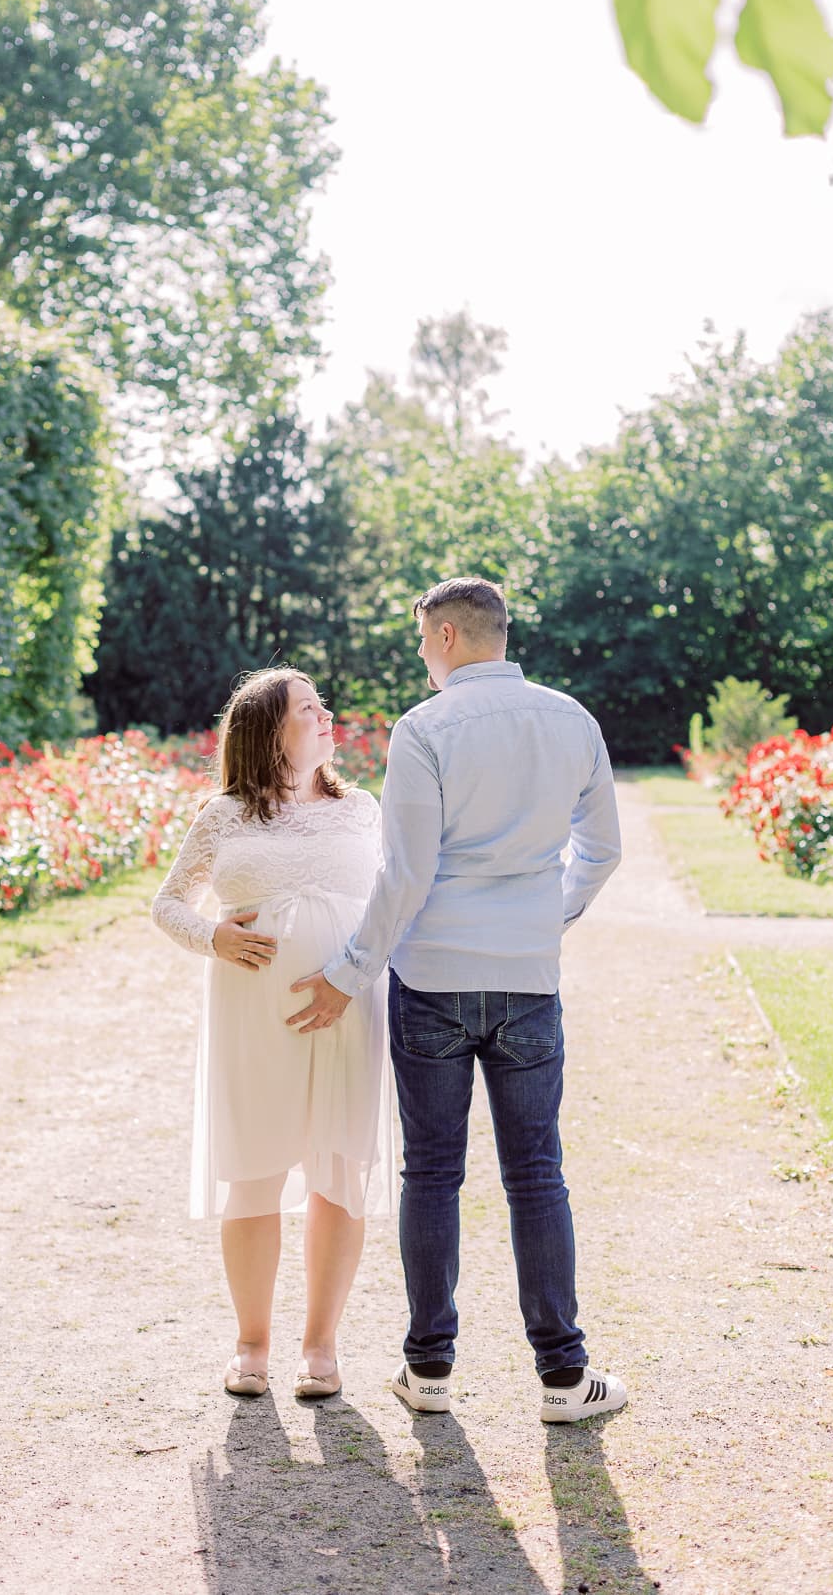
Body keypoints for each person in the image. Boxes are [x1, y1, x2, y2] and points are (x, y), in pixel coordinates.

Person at [290, 577, 624, 1424]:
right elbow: (603, 850)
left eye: (419, 641)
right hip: (528, 977)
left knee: (433, 1172)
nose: (420, 656)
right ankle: (562, 1377)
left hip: (433, 978)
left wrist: (349, 971)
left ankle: (428, 1368)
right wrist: (550, 916)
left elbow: (407, 873)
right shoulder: (572, 720)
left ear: (443, 634)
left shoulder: (425, 728)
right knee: (536, 1174)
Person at [151, 668, 392, 1401]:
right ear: (267, 732)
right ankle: (251, 1344)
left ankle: (321, 1345)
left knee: (339, 1168)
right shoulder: (224, 814)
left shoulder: (363, 811)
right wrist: (215, 936)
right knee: (254, 1169)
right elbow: (168, 904)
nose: (326, 716)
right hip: (254, 1013)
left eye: (324, 704)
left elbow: (393, 900)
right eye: (307, 709)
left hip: (351, 1006)